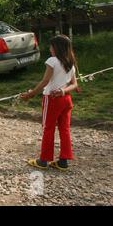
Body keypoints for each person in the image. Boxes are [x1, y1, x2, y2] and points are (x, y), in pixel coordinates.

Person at [21, 35, 78, 171]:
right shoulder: (70, 63)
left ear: (57, 48)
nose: (50, 48)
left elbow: (45, 81)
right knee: (64, 129)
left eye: (51, 46)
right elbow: (75, 84)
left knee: (48, 128)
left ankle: (43, 160)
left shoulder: (52, 61)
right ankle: (63, 161)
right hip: (66, 100)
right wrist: (63, 91)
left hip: (52, 100)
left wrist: (31, 94)